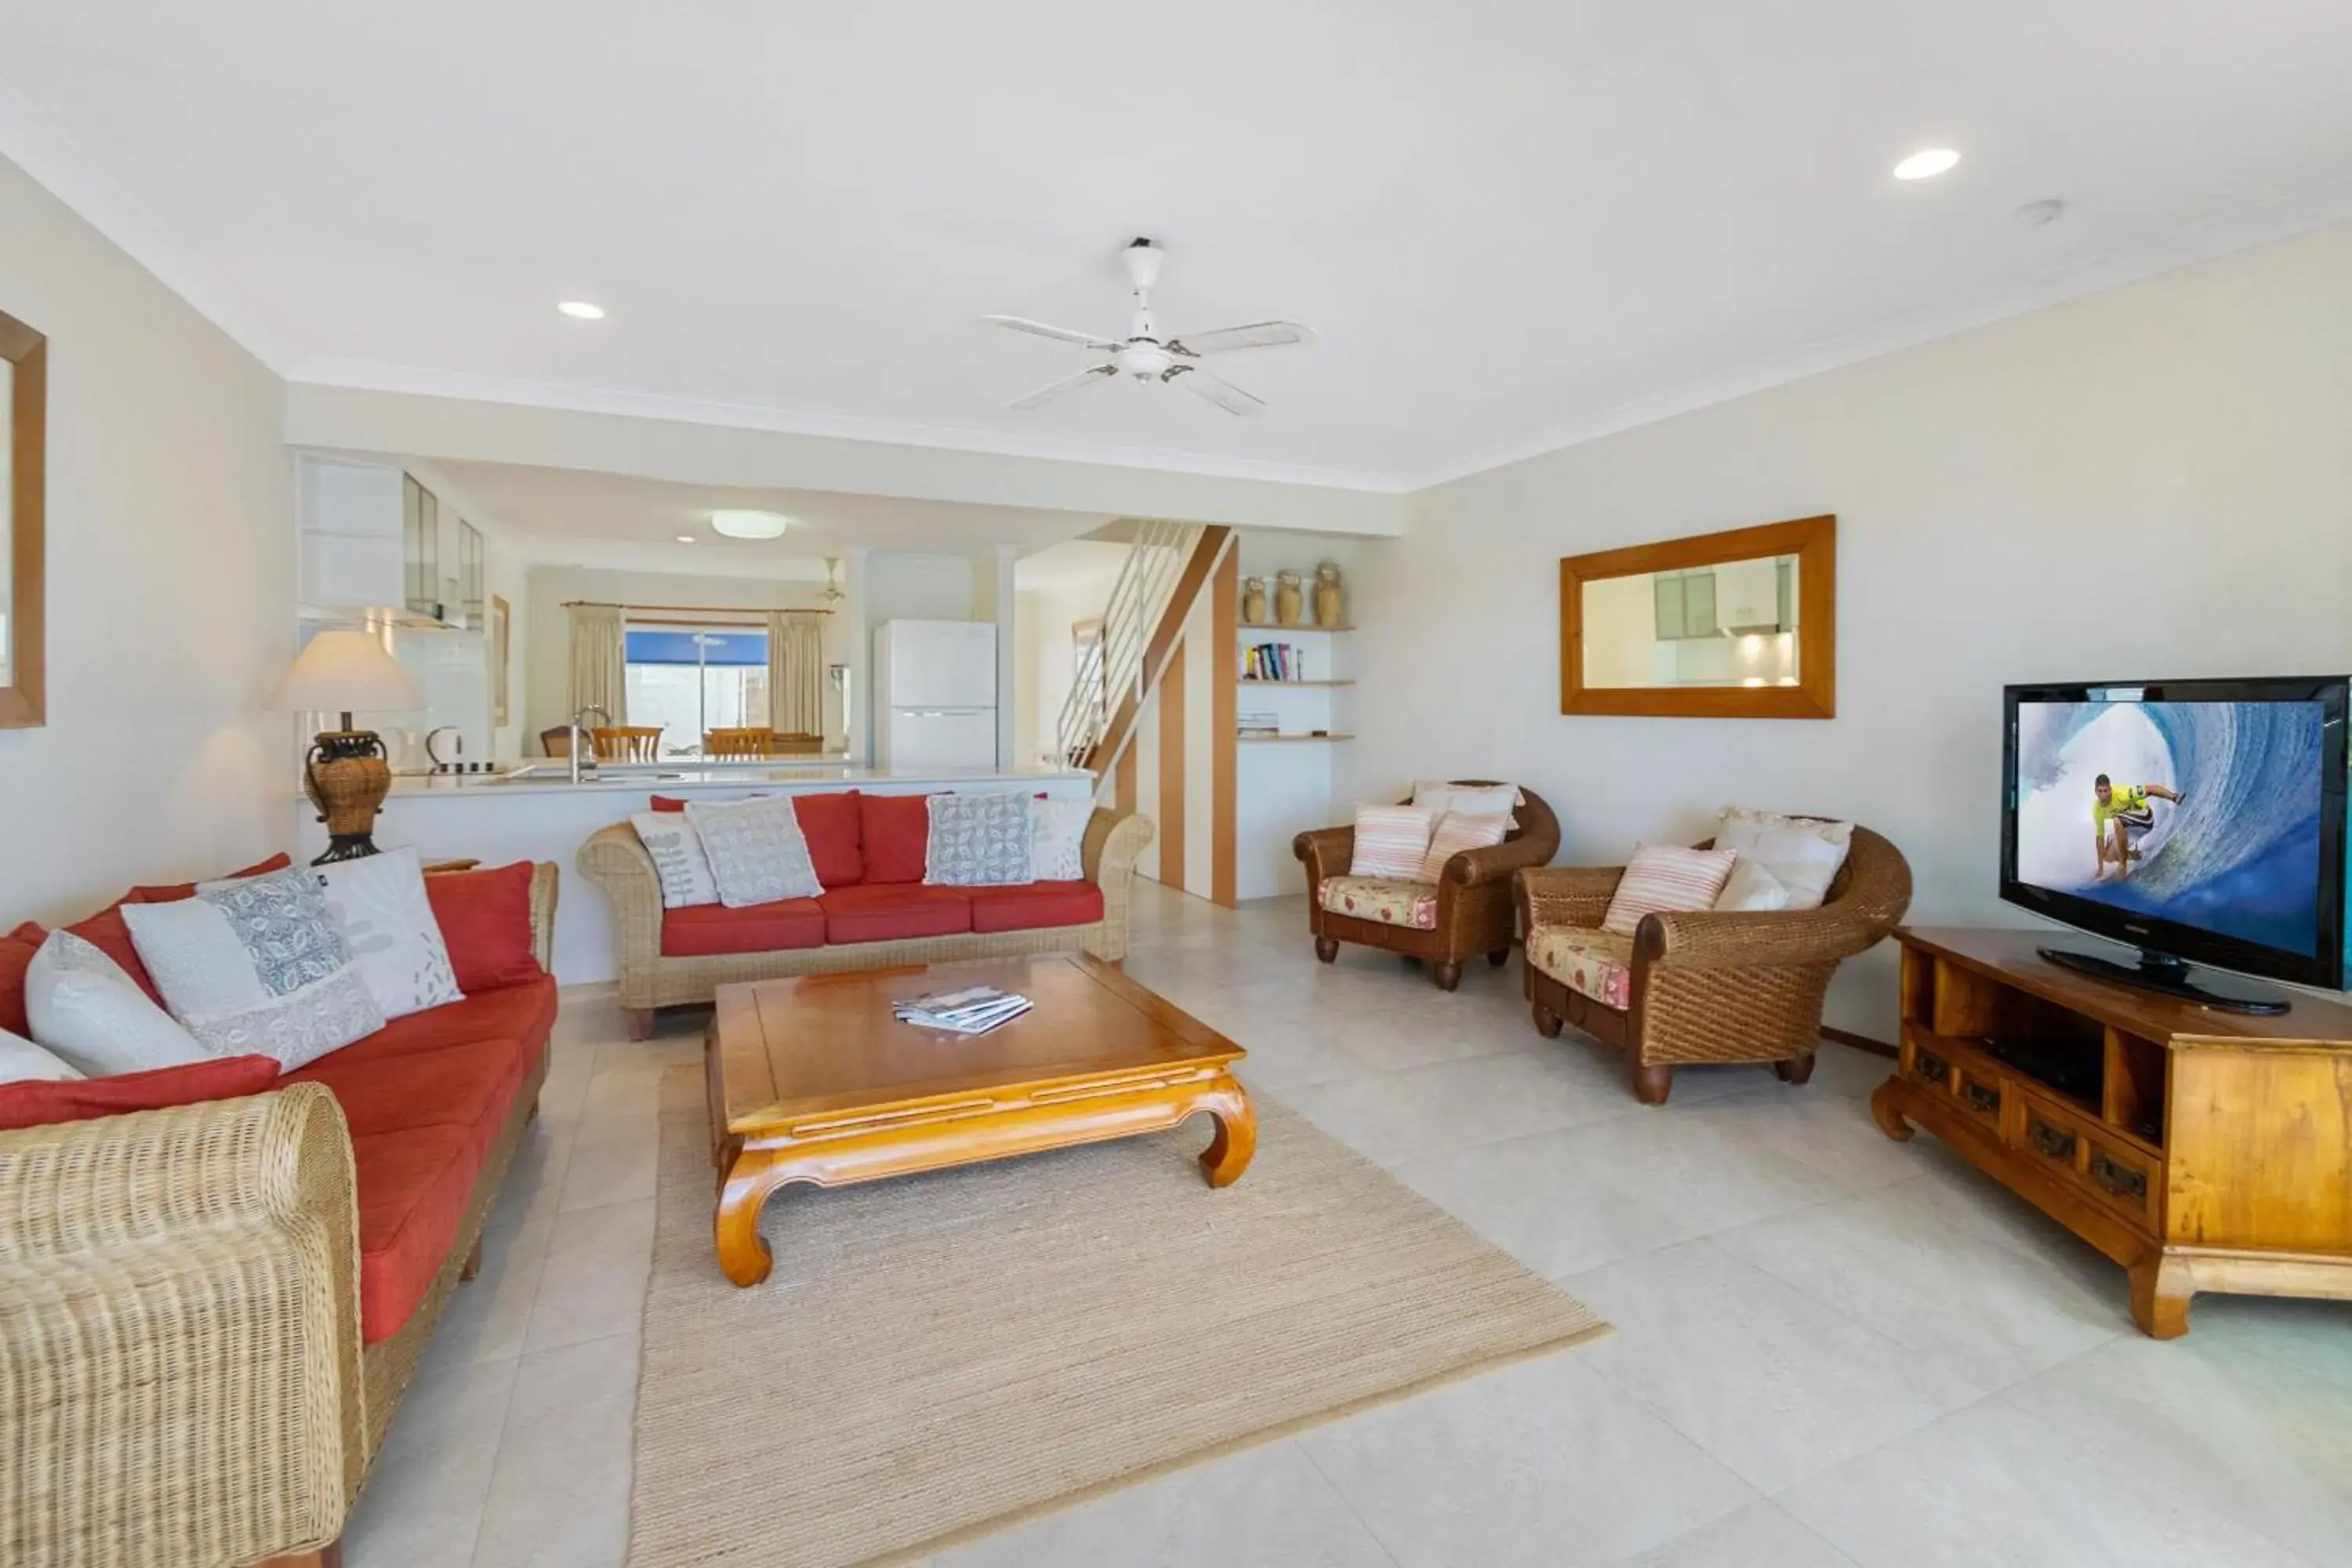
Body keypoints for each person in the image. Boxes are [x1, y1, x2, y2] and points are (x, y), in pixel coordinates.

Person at [2092, 774, 2182, 880]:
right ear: (2095, 791)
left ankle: (2123, 866)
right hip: (2129, 827)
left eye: (2106, 791)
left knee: (2117, 821)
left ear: (2111, 790)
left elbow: (2150, 790)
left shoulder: (2123, 794)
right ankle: (2134, 856)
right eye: (2100, 791)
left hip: (2145, 819)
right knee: (2107, 857)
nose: (2103, 795)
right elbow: (2100, 839)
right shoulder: (2097, 810)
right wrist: (2100, 868)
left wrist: (2173, 797)